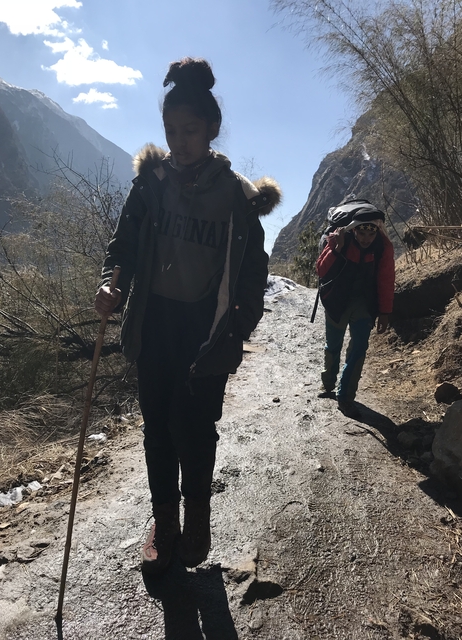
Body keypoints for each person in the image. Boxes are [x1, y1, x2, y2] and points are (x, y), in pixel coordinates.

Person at [94, 57, 281, 574]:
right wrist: (111, 282)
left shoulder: (237, 195)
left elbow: (252, 272)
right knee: (157, 428)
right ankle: (165, 520)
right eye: (171, 130)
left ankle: (197, 515)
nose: (179, 141)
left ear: (212, 129)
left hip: (206, 331)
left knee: (197, 429)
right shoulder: (151, 183)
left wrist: (238, 329)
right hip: (154, 325)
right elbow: (123, 247)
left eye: (190, 130)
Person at [315, 203, 395, 419]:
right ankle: (329, 383)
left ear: (377, 230)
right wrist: (336, 248)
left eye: (371, 233)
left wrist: (385, 311)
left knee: (358, 349)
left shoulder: (382, 247)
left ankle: (345, 397)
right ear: (353, 229)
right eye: (361, 232)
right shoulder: (338, 239)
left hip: (364, 304)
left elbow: (386, 279)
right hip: (336, 301)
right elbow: (321, 270)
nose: (366, 238)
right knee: (333, 346)